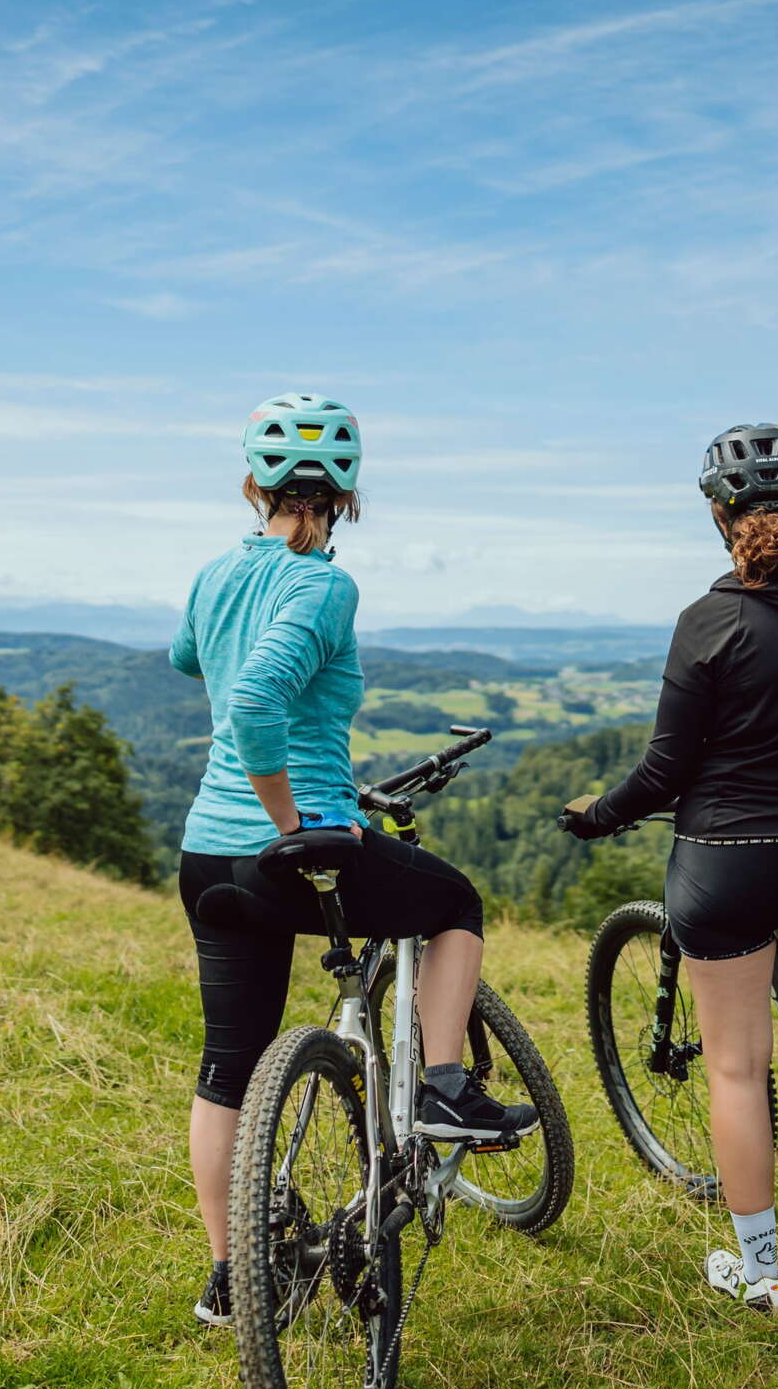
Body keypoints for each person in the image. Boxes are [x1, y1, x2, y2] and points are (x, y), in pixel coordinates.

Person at [174, 392, 535, 1329]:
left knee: (227, 1072)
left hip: (205, 858)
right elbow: (255, 704)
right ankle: (447, 1086)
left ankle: (230, 1279)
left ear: (253, 486)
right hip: (297, 845)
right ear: (344, 496)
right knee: (454, 903)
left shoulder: (216, 574)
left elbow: (189, 659)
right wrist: (290, 818)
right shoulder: (325, 585)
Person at [560, 423, 778, 1316]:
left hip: (727, 870)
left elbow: (665, 772)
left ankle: (759, 1271)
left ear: (717, 515)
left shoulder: (710, 622)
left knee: (736, 1068)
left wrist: (599, 817)